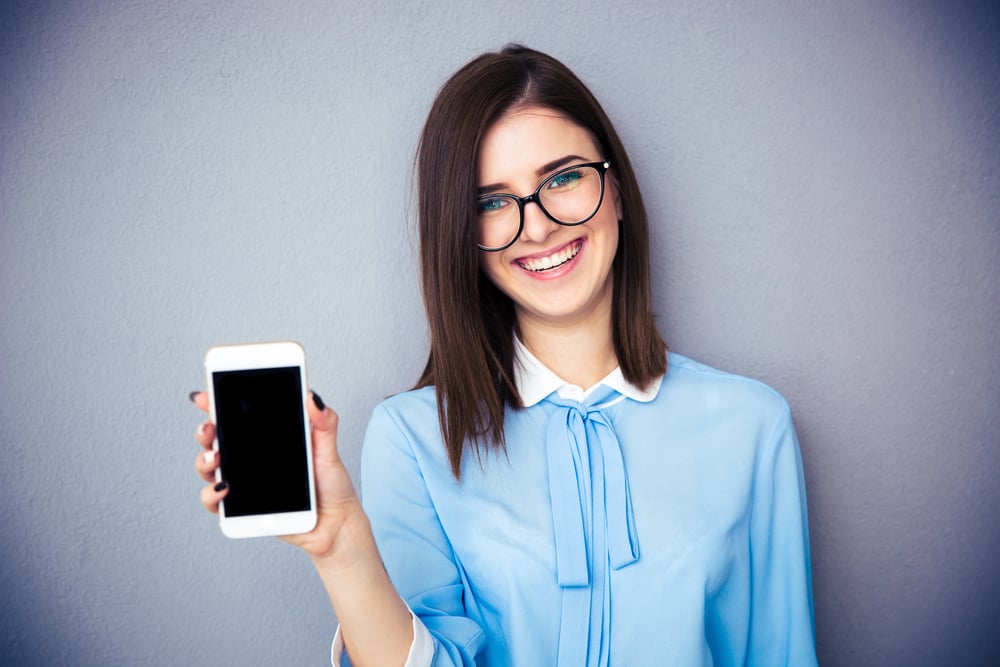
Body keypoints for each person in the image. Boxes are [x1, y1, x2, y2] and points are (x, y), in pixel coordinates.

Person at [192, 44, 817, 666]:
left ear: (617, 192)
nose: (539, 226)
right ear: (461, 236)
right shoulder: (411, 438)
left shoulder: (752, 425)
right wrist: (341, 547)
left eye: (564, 177)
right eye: (492, 202)